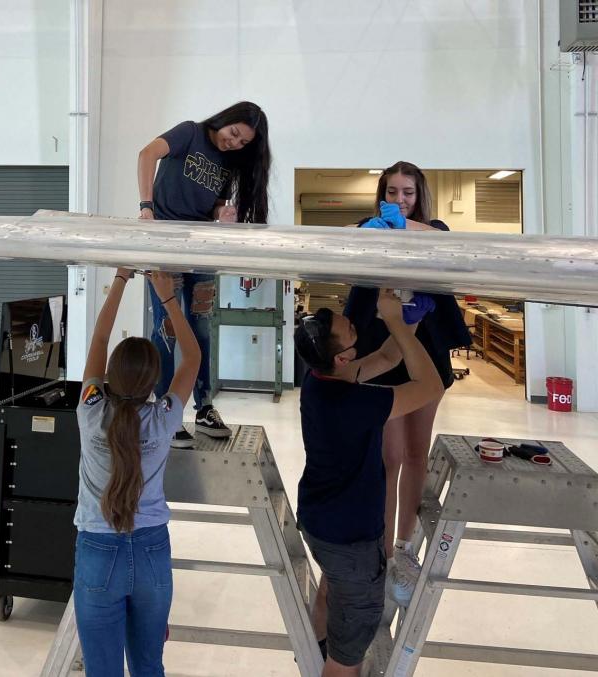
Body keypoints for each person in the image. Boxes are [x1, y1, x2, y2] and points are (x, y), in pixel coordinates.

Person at [295, 290, 442, 676]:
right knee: (349, 652)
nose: (350, 321)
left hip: (322, 524)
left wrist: (409, 321)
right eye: (346, 329)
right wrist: (396, 323)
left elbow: (387, 357)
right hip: (352, 540)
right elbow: (430, 388)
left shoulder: (321, 377)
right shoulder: (353, 404)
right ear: (342, 357)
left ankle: (319, 650)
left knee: (332, 590)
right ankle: (335, 663)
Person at [344, 161, 472, 606]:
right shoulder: (371, 226)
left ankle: (404, 546)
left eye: (409, 193)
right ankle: (381, 551)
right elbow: (348, 236)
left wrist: (406, 227)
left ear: (420, 197)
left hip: (426, 354)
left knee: (418, 452)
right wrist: (377, 229)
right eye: (393, 192)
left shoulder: (431, 227)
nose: (400, 200)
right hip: (382, 355)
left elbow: (443, 241)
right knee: (389, 457)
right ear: (382, 194)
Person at [73, 268, 201, 677]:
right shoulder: (163, 419)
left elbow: (98, 338)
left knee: (102, 671)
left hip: (97, 551)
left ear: (108, 376)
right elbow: (193, 356)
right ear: (154, 382)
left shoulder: (90, 411)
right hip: (151, 553)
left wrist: (121, 278)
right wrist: (167, 298)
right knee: (148, 667)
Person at [137, 101, 271, 447]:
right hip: (165, 244)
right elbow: (146, 154)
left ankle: (205, 406)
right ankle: (168, 409)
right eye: (234, 133)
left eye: (243, 143)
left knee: (201, 328)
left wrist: (222, 212)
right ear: (226, 120)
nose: (234, 143)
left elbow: (211, 204)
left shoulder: (228, 162)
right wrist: (146, 207)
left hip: (200, 248)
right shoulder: (190, 133)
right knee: (166, 327)